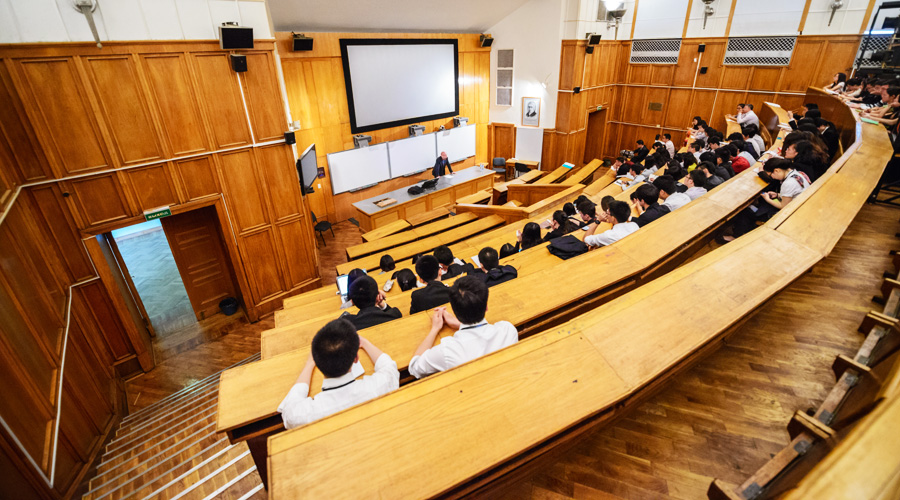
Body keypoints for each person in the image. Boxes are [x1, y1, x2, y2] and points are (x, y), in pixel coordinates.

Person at [277, 319, 399, 429]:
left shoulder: (302, 415)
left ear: (318, 365)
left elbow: (289, 409)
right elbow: (389, 367)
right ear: (356, 358)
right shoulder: (378, 387)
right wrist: (365, 343)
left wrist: (309, 364)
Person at [408, 276, 518, 379]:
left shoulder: (447, 350)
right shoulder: (507, 330)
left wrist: (434, 329)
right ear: (486, 307)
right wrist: (459, 324)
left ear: (455, 311)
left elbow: (414, 367)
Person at [721, 158, 810, 242]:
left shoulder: (788, 183)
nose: (773, 177)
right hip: (801, 207)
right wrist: (778, 194)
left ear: (776, 170)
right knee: (756, 206)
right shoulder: (798, 174)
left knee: (746, 210)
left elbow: (784, 207)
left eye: (771, 175)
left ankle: (736, 236)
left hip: (790, 214)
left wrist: (768, 199)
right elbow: (793, 194)